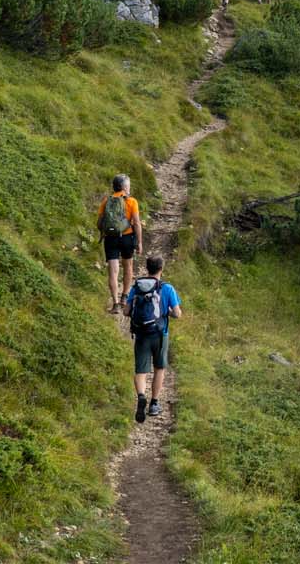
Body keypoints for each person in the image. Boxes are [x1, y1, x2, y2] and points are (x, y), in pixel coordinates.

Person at [124, 255, 183, 420]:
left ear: (147, 268)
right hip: (160, 334)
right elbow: (178, 313)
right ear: (161, 269)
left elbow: (126, 311)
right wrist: (167, 312)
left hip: (142, 334)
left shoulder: (137, 287)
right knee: (159, 368)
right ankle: (154, 403)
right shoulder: (167, 288)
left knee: (141, 370)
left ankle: (141, 396)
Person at [96, 174, 141, 313]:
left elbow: (99, 223)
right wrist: (139, 242)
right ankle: (124, 297)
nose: (129, 187)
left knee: (113, 272)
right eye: (128, 185)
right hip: (127, 237)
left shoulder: (106, 201)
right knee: (128, 267)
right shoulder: (131, 201)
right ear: (123, 187)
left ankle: (115, 303)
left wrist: (106, 231)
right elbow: (137, 223)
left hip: (111, 239)